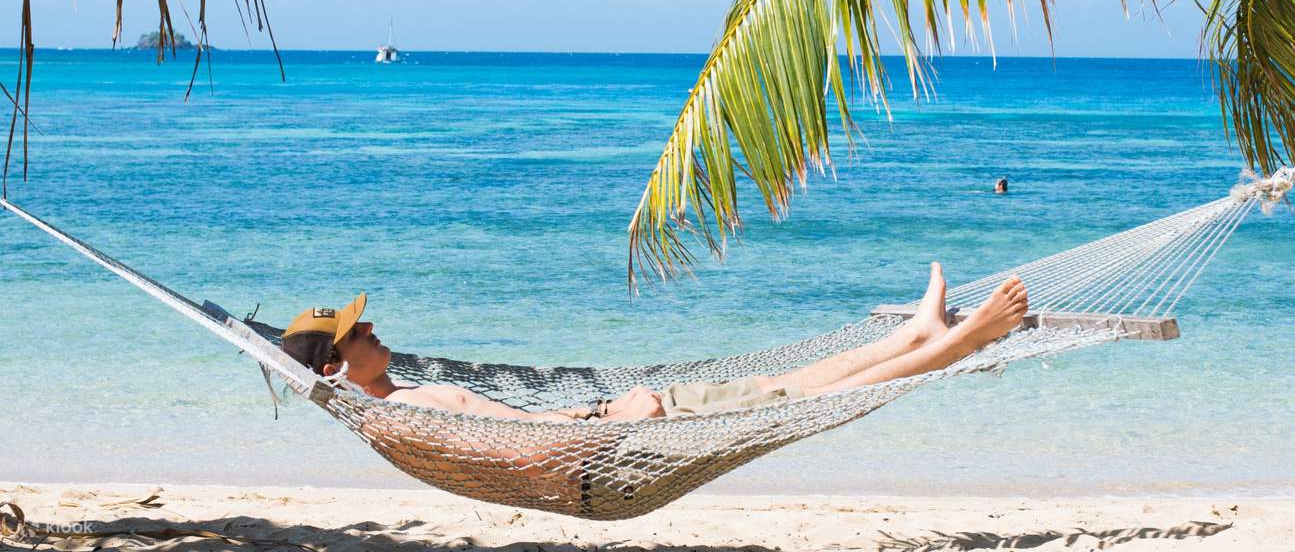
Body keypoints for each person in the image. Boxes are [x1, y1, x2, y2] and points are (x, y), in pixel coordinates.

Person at [280, 264, 1028, 422]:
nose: (376, 329)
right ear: (341, 364)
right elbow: (520, 451)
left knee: (800, 379)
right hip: (636, 429)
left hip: (624, 418)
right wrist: (611, 428)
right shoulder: (413, 410)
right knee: (811, 393)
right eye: (361, 332)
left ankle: (917, 332)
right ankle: (961, 340)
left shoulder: (404, 400)